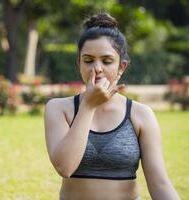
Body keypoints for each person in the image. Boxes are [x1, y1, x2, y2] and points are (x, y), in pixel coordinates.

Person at [44, 13, 180, 200]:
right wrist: (88, 106)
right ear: (79, 64)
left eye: (107, 61)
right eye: (88, 60)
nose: (97, 68)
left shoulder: (140, 114)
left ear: (122, 67)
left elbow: (160, 184)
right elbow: (65, 167)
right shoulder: (58, 109)